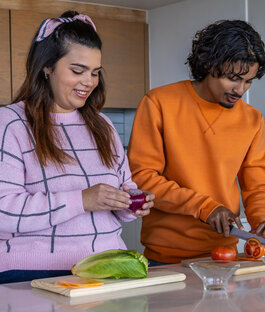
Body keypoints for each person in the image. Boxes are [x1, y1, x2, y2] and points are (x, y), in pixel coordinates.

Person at [0, 11, 154, 284]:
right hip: (31, 274)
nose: (89, 82)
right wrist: (82, 200)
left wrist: (130, 203)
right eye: (77, 70)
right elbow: (4, 212)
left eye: (95, 72)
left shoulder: (103, 125)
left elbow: (122, 190)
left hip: (106, 268)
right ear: (47, 67)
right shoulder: (11, 123)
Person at [128, 20, 265, 264]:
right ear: (209, 64)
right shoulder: (159, 103)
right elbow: (142, 176)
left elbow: (258, 185)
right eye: (233, 78)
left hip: (225, 256)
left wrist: (264, 221)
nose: (240, 90)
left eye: (248, 81)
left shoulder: (252, 119)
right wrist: (204, 207)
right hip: (165, 259)